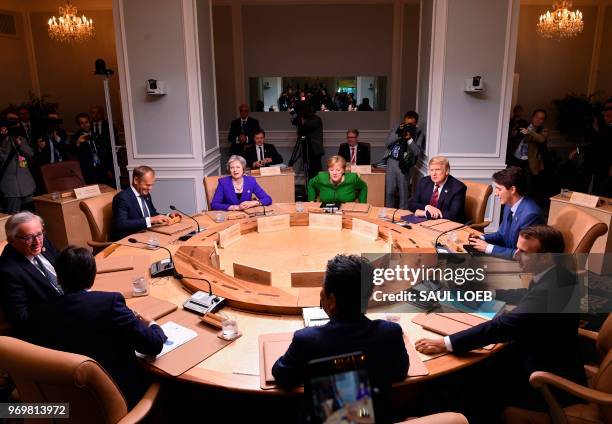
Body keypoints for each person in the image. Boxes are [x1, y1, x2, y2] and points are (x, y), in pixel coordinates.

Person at [416, 225, 585, 420]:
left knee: (463, 379)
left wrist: (446, 343)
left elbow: (503, 327)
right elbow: (528, 297)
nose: (516, 255)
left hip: (543, 377)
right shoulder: (558, 272)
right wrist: (491, 293)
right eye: (517, 248)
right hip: (542, 351)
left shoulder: (551, 288)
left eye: (524, 252)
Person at [26, 246, 167, 408]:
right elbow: (153, 345)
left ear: (58, 277)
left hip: (66, 399)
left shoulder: (39, 314)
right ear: (93, 276)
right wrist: (152, 324)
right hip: (118, 394)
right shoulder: (110, 303)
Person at [272, 255, 408, 420]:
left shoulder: (307, 340)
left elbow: (282, 375)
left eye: (323, 287)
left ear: (332, 300)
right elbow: (400, 372)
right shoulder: (390, 333)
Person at [0, 212, 62, 330]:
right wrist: (62, 309)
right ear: (11, 240)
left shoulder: (43, 241)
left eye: (39, 234)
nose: (37, 242)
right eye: (28, 238)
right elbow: (20, 318)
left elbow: (64, 264)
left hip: (71, 300)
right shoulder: (8, 271)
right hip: (52, 323)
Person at [468, 166, 544, 260]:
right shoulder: (509, 205)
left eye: (499, 189)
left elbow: (521, 255)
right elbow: (501, 234)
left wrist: (487, 247)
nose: (496, 193)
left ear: (512, 190)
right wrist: (482, 238)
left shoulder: (531, 215)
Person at [111, 165, 174, 241]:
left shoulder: (146, 195)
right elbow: (121, 224)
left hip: (147, 235)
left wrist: (167, 216)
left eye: (152, 185)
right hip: (130, 239)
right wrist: (151, 220)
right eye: (147, 185)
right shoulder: (122, 198)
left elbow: (153, 214)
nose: (150, 188)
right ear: (136, 180)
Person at [407, 156, 467, 222]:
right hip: (424, 223)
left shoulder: (458, 188)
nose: (434, 174)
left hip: (447, 225)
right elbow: (411, 204)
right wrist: (427, 207)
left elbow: (453, 215)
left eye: (437, 170)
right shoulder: (424, 182)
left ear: (447, 171)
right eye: (431, 170)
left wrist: (425, 213)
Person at [506, 108, 549, 194]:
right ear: (532, 117)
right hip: (514, 158)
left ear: (543, 121)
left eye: (541, 118)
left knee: (528, 185)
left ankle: (525, 204)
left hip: (529, 162)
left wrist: (529, 132)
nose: (538, 120)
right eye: (537, 117)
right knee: (511, 182)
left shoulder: (543, 130)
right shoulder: (523, 125)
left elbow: (541, 139)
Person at [0, 114, 36, 213]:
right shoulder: (2, 141)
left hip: (26, 184)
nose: (14, 124)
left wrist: (20, 145)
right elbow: (2, 158)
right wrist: (3, 140)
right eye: (10, 121)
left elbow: (30, 153)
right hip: (10, 187)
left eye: (16, 121)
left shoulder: (21, 138)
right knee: (13, 215)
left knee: (30, 214)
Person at [384, 124, 420, 209]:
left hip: (403, 164)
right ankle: (389, 211)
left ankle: (403, 212)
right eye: (406, 123)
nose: (407, 126)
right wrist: (398, 134)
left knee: (403, 192)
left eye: (411, 124)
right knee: (389, 191)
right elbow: (387, 143)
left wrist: (409, 138)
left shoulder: (417, 133)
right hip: (391, 162)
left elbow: (417, 152)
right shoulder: (396, 129)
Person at [70, 112, 112, 186]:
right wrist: (78, 143)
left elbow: (103, 153)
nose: (85, 125)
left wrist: (108, 169)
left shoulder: (96, 134)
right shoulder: (75, 137)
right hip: (87, 171)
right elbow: (73, 153)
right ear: (79, 125)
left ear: (90, 122)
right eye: (82, 123)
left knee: (106, 190)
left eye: (86, 122)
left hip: (101, 169)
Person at [298, 105, 324, 179]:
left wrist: (303, 121)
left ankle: (317, 187)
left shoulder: (317, 119)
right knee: (308, 170)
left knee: (315, 169)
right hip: (307, 148)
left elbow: (309, 124)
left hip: (315, 150)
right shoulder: (306, 120)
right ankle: (309, 186)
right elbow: (300, 133)